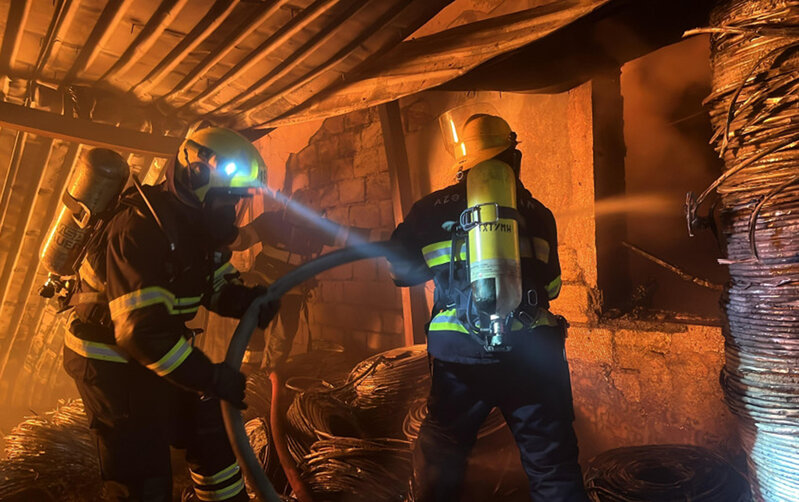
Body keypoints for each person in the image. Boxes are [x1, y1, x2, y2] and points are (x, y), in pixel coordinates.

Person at [63, 127, 279, 502]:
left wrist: (246, 300)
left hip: (153, 350)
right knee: (144, 473)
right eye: (227, 200)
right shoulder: (138, 228)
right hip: (110, 361)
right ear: (194, 177)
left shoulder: (194, 228)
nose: (231, 212)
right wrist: (211, 377)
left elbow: (211, 281)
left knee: (206, 428)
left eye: (236, 202)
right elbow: (141, 333)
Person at [389, 113, 589, 501]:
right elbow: (552, 287)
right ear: (513, 157)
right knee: (553, 467)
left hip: (460, 358)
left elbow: (400, 273)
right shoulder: (538, 213)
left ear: (464, 163)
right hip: (533, 355)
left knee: (441, 462)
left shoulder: (429, 209)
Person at [230, 188, 384, 371]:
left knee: (284, 334)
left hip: (293, 285)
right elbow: (243, 240)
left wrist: (388, 238)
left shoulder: (317, 228)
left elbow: (350, 236)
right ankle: (248, 369)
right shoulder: (270, 221)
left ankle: (269, 374)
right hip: (263, 279)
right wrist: (224, 231)